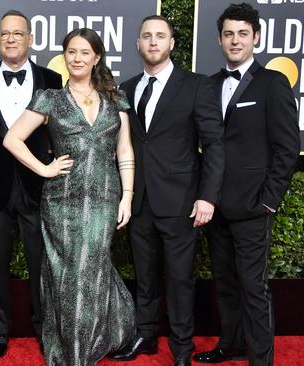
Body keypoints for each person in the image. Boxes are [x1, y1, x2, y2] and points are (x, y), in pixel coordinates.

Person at [4, 28, 136, 366]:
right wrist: (44, 169)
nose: (77, 59)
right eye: (71, 52)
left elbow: (124, 151)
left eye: (84, 53)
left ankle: (89, 344)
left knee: (91, 268)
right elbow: (12, 139)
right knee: (68, 274)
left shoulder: (116, 99)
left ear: (96, 58)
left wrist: (127, 196)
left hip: (105, 198)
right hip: (62, 201)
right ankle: (75, 353)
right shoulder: (49, 98)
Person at [110, 15, 224, 366]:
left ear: (173, 43)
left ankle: (182, 349)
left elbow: (215, 145)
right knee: (144, 277)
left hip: (181, 202)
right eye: (147, 36)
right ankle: (144, 337)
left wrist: (207, 196)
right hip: (138, 199)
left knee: (180, 280)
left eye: (161, 36)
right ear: (138, 44)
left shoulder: (196, 85)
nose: (153, 42)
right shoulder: (124, 88)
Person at [193, 4, 300, 365]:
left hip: (253, 205)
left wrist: (269, 201)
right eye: (228, 34)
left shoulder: (273, 83)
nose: (235, 40)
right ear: (219, 40)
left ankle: (260, 358)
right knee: (225, 283)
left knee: (254, 288)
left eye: (242, 33)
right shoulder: (208, 85)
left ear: (256, 37)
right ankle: (231, 343)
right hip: (214, 205)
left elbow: (288, 148)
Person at [0, 9, 62, 358]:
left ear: (30, 40)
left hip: (38, 187)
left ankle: (42, 328)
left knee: (41, 264)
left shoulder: (52, 80)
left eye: (18, 33)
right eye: (5, 33)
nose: (11, 39)